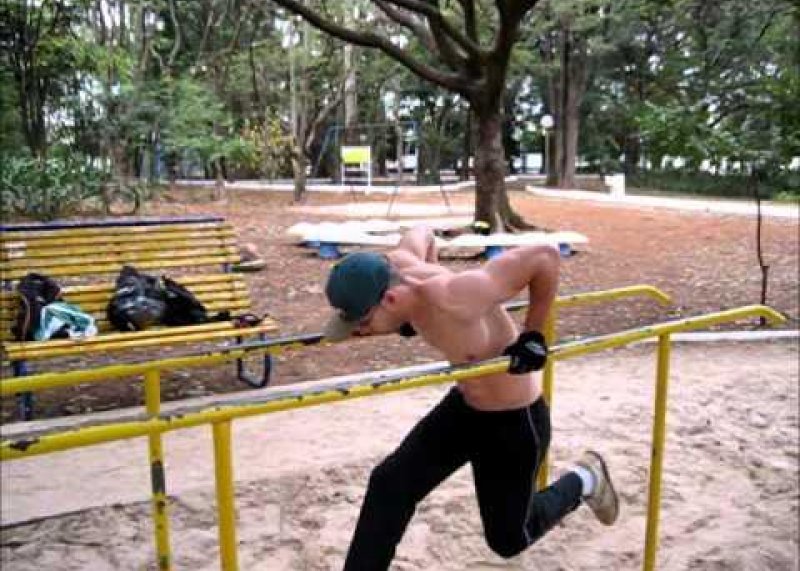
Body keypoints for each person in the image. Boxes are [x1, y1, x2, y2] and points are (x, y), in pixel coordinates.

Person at [322, 225, 619, 569]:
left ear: (389, 299)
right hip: (465, 408)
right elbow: (422, 232)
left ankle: (586, 478)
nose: (359, 333)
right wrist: (411, 317)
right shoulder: (400, 262)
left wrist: (533, 333)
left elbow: (544, 257)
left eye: (361, 323)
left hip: (515, 420)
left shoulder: (457, 296)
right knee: (389, 484)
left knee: (509, 539)